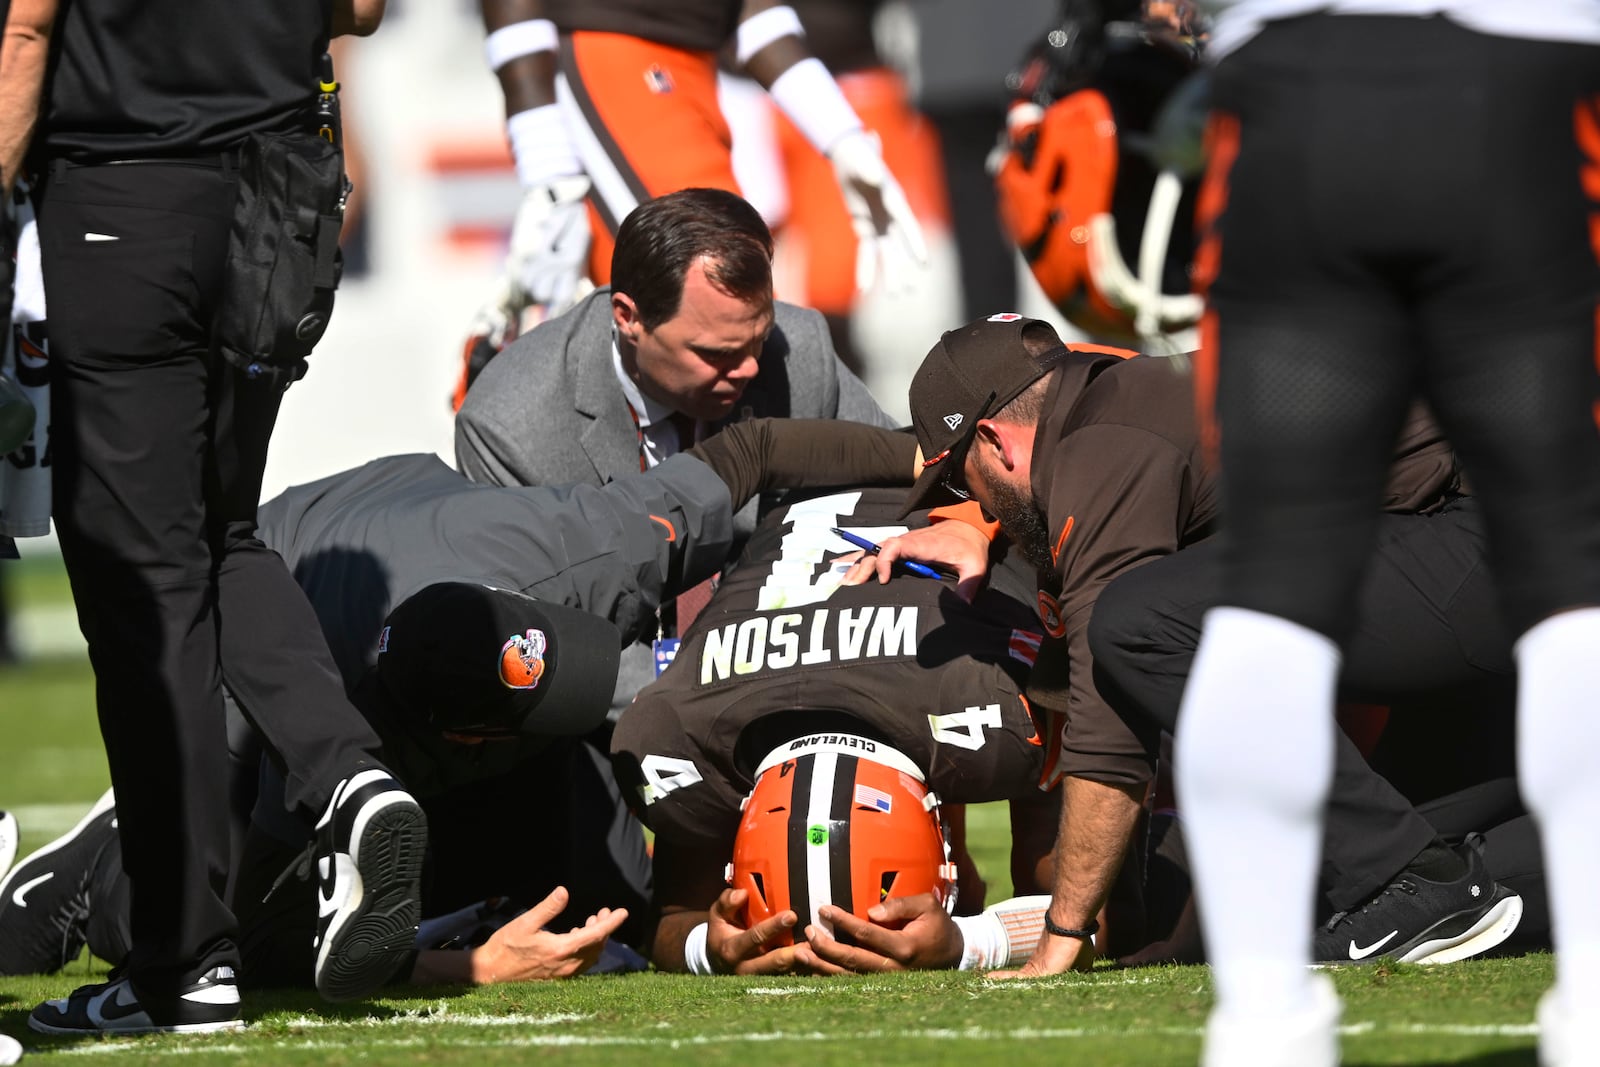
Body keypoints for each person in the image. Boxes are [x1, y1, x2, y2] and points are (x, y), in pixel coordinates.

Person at [0, 416, 925, 988]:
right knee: (193, 918)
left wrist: (930, 459)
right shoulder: (302, 719)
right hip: (281, 602)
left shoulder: (599, 547)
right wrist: (467, 967)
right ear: (463, 734)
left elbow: (755, 450)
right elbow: (275, 940)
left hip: (432, 543)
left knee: (602, 908)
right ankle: (93, 866)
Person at [1158, 5, 1600, 1065]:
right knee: (1567, 580)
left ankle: (1260, 1027)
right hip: (1527, 82)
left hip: (1293, 92)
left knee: (1271, 591)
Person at [1, 0, 435, 1035]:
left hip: (126, 196)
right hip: (277, 196)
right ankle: (352, 774)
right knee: (218, 534)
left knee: (143, 576)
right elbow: (363, 12)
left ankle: (185, 961)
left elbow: (23, 31)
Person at [847, 314, 1522, 978]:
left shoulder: (1098, 449)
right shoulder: (1118, 403)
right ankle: (1439, 873)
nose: (983, 511)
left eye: (964, 482)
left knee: (1133, 621)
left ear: (997, 440)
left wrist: (1064, 931)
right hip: (1494, 542)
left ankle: (1414, 871)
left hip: (1487, 539)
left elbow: (1110, 716)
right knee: (1411, 886)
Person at [456, 187, 900, 711]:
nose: (752, 368)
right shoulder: (512, 426)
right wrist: (696, 718)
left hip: (789, 681)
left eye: (758, 338)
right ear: (629, 318)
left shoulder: (797, 352)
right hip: (605, 724)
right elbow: (539, 637)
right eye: (716, 353)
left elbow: (898, 487)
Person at [611, 485, 1064, 974]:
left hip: (937, 482)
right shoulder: (688, 730)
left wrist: (969, 941)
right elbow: (671, 920)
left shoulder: (687, 730)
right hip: (814, 522)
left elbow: (1105, 909)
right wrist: (717, 946)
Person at [458, 0, 925, 376]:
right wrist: (548, 171)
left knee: (724, 314)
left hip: (698, 72)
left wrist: (840, 134)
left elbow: (752, 10)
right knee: (717, 308)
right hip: (611, 54)